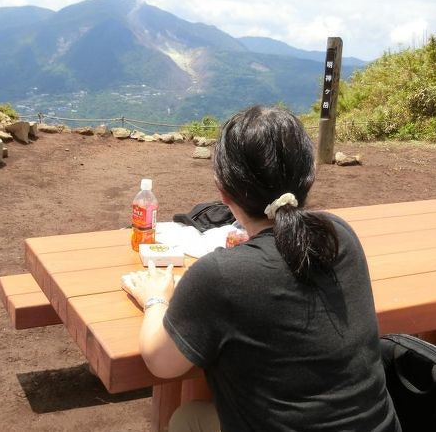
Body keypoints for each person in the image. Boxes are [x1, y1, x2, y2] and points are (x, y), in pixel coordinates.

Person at [122, 106, 401, 432]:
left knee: (187, 419)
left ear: (223, 191)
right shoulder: (339, 235)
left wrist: (156, 298)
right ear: (307, 175)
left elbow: (161, 362)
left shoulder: (222, 275)